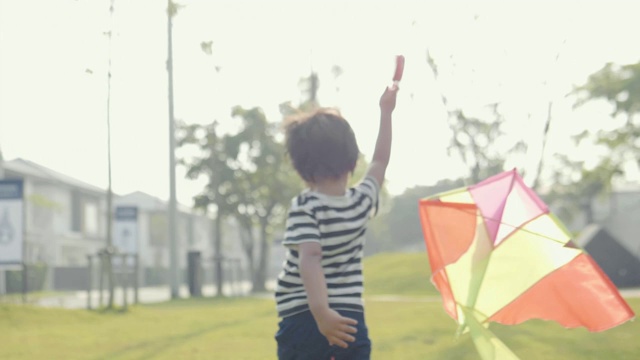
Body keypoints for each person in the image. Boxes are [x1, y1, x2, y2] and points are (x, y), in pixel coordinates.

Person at [274, 83, 399, 359]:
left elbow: (311, 258)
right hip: (349, 319)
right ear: (352, 159)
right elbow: (380, 161)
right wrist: (386, 111)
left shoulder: (307, 205)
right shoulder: (361, 201)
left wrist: (322, 314)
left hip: (306, 317)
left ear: (301, 167)